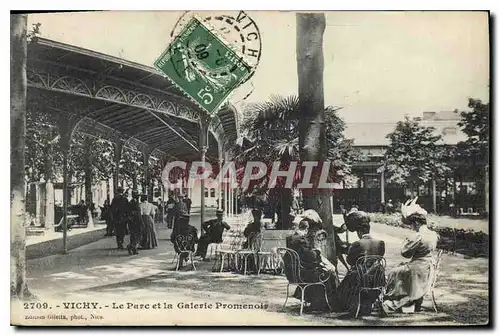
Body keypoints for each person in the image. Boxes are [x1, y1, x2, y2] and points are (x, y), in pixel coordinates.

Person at [383, 197, 439, 313]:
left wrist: (406, 242)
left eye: (412, 225)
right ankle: (409, 302)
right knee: (400, 268)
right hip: (428, 266)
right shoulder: (433, 234)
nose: (412, 227)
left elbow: (405, 253)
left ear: (417, 223)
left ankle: (394, 301)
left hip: (418, 268)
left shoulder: (418, 236)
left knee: (395, 272)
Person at [284, 217, 338, 311]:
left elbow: (300, 256)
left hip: (291, 273)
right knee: (330, 273)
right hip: (302, 275)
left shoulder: (290, 239)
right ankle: (327, 302)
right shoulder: (302, 240)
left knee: (320, 270)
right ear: (306, 229)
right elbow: (311, 257)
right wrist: (317, 252)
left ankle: (316, 300)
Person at [333, 220, 386, 316]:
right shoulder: (380, 243)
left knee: (347, 280)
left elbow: (350, 261)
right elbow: (380, 258)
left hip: (361, 278)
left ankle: (352, 304)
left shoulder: (357, 244)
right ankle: (367, 303)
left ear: (359, 232)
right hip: (377, 277)